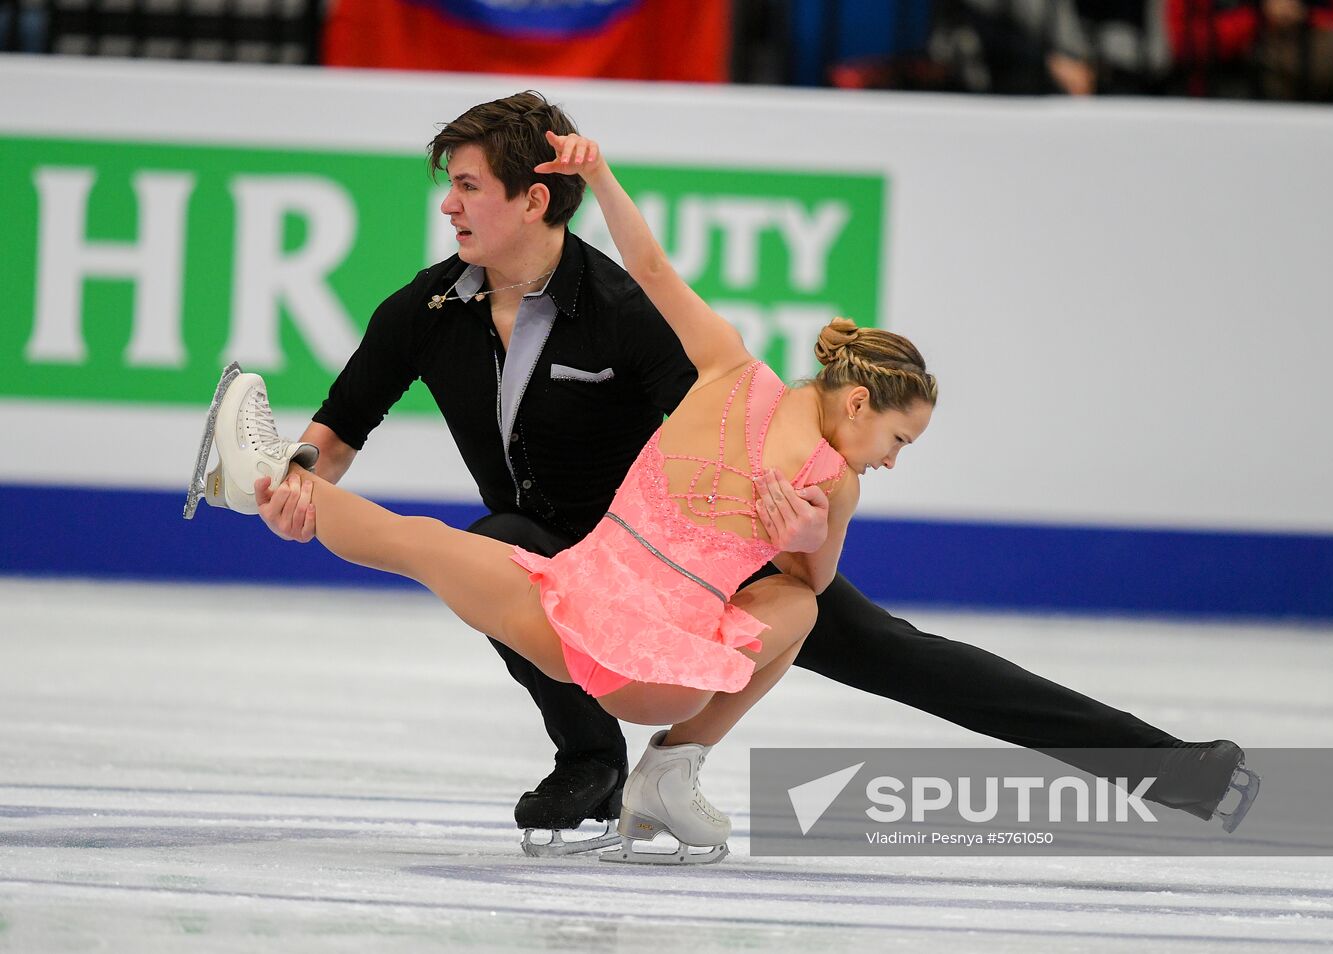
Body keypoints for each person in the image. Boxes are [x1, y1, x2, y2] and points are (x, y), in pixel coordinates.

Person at [247, 92, 1257, 853]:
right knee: (492, 548)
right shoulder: (425, 309)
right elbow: (337, 428)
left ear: (534, 196)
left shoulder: (619, 307)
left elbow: (723, 421)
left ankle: (1169, 770)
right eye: (450, 187)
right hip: (569, 548)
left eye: (468, 186)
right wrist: (293, 473)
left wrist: (794, 530)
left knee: (904, 657)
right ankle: (592, 761)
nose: (450, 208)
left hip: (704, 553)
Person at [191, 126, 937, 865]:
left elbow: (647, 269)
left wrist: (605, 177)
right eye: (900, 441)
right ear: (860, 404)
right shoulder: (818, 465)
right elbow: (808, 588)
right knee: (435, 540)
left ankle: (660, 769)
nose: (893, 463)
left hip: (590, 615)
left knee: (416, 543)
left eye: (468, 186)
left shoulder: (730, 370)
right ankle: (259, 477)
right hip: (636, 652)